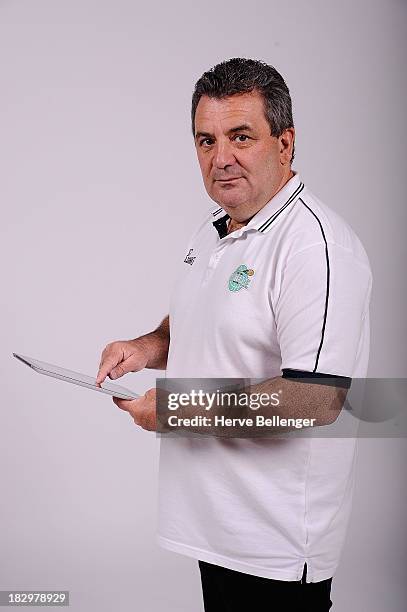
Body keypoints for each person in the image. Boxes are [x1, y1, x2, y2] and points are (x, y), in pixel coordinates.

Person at [96, 58, 372, 611]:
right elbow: (202, 324)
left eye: (240, 136)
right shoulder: (216, 227)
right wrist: (146, 348)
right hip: (214, 530)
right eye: (206, 140)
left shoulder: (313, 247)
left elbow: (314, 398)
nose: (220, 158)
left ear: (285, 143)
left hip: (273, 546)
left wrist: (175, 411)